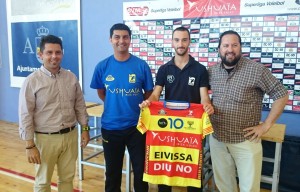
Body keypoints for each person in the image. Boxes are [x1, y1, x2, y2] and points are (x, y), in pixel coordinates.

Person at [208, 30, 288, 192]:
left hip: (245, 141)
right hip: (217, 140)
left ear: (240, 48)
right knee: (224, 186)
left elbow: (281, 94)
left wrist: (266, 125)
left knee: (249, 188)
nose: (230, 49)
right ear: (219, 49)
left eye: (234, 45)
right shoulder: (212, 71)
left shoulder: (256, 70)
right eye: (226, 45)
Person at [139, 26, 214, 192]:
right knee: (166, 164)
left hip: (191, 127)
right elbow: (156, 94)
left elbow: (204, 97)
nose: (181, 44)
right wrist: (148, 102)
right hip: (168, 126)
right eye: (177, 40)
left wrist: (207, 105)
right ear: (172, 43)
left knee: (193, 165)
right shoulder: (164, 69)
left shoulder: (200, 69)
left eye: (184, 40)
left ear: (189, 42)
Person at [18, 34, 90, 192]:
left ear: (62, 54)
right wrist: (30, 145)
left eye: (57, 52)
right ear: (40, 55)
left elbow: (79, 105)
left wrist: (85, 129)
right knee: (43, 182)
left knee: (67, 179)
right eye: (49, 52)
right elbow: (25, 115)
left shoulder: (71, 77)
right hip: (45, 140)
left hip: (70, 137)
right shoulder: (31, 81)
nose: (54, 56)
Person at [90, 23, 153, 192]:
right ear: (110, 39)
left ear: (130, 40)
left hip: (137, 128)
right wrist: (115, 104)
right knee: (112, 172)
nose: (121, 41)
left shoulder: (141, 65)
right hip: (111, 127)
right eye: (117, 37)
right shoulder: (102, 66)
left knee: (141, 172)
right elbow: (101, 92)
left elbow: (148, 93)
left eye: (125, 37)